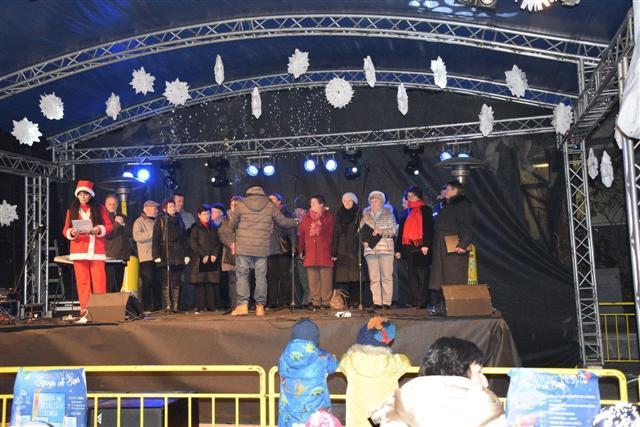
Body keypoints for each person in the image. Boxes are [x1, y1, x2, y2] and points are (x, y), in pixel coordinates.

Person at [370, 337, 505, 427]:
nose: (485, 382)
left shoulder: (403, 397)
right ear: (461, 370)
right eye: (478, 372)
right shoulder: (481, 402)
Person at [230, 186, 297, 316]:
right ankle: (260, 307)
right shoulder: (269, 205)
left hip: (244, 246)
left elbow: (232, 224)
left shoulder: (241, 204)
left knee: (242, 275)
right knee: (261, 277)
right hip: (262, 246)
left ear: (248, 194)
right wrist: (296, 221)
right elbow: (282, 222)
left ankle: (242, 306)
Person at [339, 316, 411, 427]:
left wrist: (349, 354)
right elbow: (405, 362)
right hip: (383, 422)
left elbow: (343, 360)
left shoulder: (350, 362)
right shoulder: (392, 364)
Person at [62, 180, 113, 319]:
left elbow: (109, 226)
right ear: (77, 195)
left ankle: (100, 309)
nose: (83, 197)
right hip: (79, 250)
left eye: (85, 194)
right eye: (80, 194)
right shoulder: (71, 210)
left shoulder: (100, 208)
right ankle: (84, 310)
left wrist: (98, 229)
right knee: (82, 282)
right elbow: (65, 230)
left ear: (90, 195)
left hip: (96, 250)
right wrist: (72, 232)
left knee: (99, 281)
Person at [278, 318, 339, 427]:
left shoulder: (283, 357)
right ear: (315, 338)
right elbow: (334, 364)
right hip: (315, 420)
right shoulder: (322, 357)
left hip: (288, 419)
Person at [429, 181, 473, 297]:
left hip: (453, 246)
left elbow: (466, 225)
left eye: (448, 189)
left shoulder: (462, 205)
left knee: (453, 275)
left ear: (455, 190)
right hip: (442, 244)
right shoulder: (448, 205)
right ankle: (443, 301)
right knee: (441, 275)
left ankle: (455, 302)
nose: (445, 192)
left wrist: (463, 244)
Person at [395, 185, 434, 309]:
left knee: (422, 275)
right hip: (408, 248)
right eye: (408, 196)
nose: (410, 198)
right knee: (412, 276)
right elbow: (401, 233)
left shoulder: (425, 210)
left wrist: (426, 244)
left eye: (412, 195)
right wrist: (398, 249)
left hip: (421, 247)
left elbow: (428, 228)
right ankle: (416, 300)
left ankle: (422, 301)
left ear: (418, 196)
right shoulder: (406, 212)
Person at [360, 191, 397, 309]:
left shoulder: (389, 215)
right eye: (371, 201)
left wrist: (380, 231)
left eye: (376, 201)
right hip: (370, 250)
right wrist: (364, 240)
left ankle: (387, 302)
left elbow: (393, 231)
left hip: (385, 249)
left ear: (381, 202)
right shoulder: (365, 216)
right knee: (374, 278)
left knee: (386, 276)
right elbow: (360, 231)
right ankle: (377, 302)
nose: (373, 203)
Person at [298, 194, 336, 309]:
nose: (311, 205)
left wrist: (333, 251)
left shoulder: (329, 217)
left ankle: (326, 301)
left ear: (321, 204)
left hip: (325, 251)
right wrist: (301, 250)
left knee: (326, 279)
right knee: (313, 280)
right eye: (311, 203)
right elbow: (302, 236)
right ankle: (316, 302)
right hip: (310, 253)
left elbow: (334, 235)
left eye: (314, 203)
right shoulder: (306, 218)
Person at [152, 198, 189, 312]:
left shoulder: (180, 220)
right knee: (166, 280)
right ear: (165, 209)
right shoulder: (160, 221)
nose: (173, 208)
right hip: (165, 253)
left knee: (177, 280)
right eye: (170, 207)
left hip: (178, 254)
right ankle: (167, 305)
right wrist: (156, 255)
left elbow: (184, 240)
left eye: (174, 206)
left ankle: (176, 306)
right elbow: (156, 240)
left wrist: (186, 255)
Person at [185, 205, 221, 312]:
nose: (207, 216)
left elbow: (217, 242)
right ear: (199, 215)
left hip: (211, 258)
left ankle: (211, 306)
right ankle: (200, 306)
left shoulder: (214, 227)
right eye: (204, 214)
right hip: (199, 258)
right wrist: (203, 254)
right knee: (200, 283)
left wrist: (214, 254)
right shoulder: (195, 227)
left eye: (208, 214)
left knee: (210, 282)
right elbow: (193, 243)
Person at [332, 192, 364, 308]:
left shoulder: (358, 214)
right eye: (345, 201)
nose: (347, 203)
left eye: (350, 200)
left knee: (355, 276)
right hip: (342, 248)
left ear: (354, 202)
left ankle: (357, 300)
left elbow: (362, 232)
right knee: (345, 277)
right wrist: (334, 251)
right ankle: (348, 301)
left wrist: (361, 248)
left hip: (354, 247)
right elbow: (335, 233)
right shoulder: (339, 214)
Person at [267, 193, 296, 308]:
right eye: (269, 199)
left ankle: (286, 301)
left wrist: (294, 246)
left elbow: (292, 231)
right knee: (271, 277)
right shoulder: (266, 214)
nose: (270, 201)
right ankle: (272, 302)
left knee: (284, 276)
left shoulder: (286, 214)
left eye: (273, 199)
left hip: (283, 249)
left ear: (279, 201)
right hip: (269, 249)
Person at [133, 200, 161, 311]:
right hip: (146, 257)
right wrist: (153, 234)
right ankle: (146, 306)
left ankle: (158, 305)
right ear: (146, 209)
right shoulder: (139, 222)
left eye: (157, 208)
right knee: (147, 281)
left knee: (157, 281)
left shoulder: (158, 221)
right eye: (154, 208)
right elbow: (137, 237)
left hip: (157, 256)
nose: (156, 210)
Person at [104, 194, 132, 293]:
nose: (112, 206)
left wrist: (123, 224)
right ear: (105, 205)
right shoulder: (103, 217)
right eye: (109, 204)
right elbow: (108, 234)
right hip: (109, 256)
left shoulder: (122, 216)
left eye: (114, 204)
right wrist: (116, 224)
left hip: (122, 256)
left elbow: (130, 233)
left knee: (118, 284)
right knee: (109, 285)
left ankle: (116, 302)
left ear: (117, 205)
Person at [219, 196, 241, 310]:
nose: (234, 207)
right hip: (229, 252)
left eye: (237, 205)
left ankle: (243, 303)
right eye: (233, 205)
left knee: (243, 279)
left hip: (243, 251)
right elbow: (221, 235)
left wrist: (239, 244)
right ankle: (234, 304)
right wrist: (230, 244)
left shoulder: (245, 218)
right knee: (232, 279)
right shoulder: (225, 220)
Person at [293, 195, 311, 307]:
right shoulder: (293, 222)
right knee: (302, 276)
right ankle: (305, 297)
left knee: (309, 276)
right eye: (297, 209)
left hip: (309, 252)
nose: (299, 212)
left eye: (302, 210)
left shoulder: (309, 220)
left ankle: (309, 297)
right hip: (298, 253)